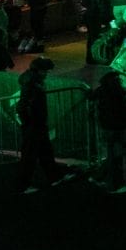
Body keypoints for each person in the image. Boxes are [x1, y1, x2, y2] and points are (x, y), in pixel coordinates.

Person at [15, 58, 73, 193]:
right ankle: (23, 185)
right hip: (34, 125)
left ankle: (55, 177)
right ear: (39, 71)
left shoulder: (32, 81)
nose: (46, 74)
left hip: (36, 124)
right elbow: (23, 106)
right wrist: (29, 122)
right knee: (30, 156)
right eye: (45, 71)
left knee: (45, 152)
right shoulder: (33, 84)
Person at [90, 71, 126, 193]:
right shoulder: (116, 95)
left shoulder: (103, 91)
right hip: (117, 129)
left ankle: (99, 177)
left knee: (113, 155)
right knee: (116, 157)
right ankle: (115, 185)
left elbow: (92, 96)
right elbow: (122, 112)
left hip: (108, 128)